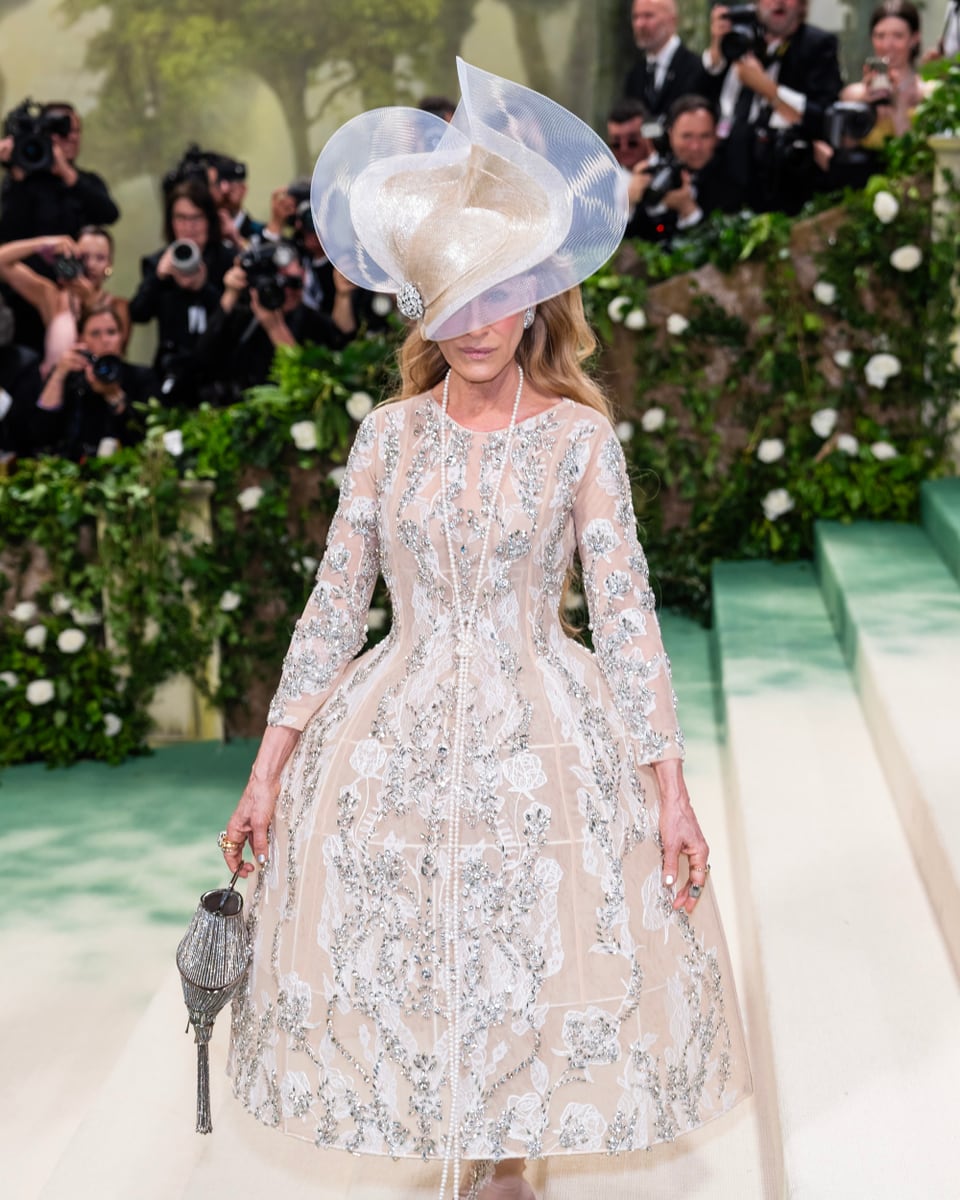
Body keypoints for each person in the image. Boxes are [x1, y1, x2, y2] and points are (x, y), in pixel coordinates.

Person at [219, 58, 751, 1200]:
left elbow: (625, 617)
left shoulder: (575, 440)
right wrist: (267, 770)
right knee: (415, 940)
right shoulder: (388, 435)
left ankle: (507, 1158)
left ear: (538, 292)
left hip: (540, 734)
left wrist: (669, 789)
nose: (476, 324)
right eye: (451, 299)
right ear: (423, 305)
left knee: (528, 938)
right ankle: (462, 1142)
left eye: (497, 292)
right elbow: (330, 607)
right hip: (394, 724)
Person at [703, 0, 843, 213]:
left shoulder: (817, 44)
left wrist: (768, 89)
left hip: (783, 175)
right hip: (728, 166)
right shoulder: (739, 38)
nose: (779, 2)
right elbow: (700, 98)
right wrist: (716, 48)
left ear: (802, 5)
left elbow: (823, 116)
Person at [191, 244, 357, 403]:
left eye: (294, 283)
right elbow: (202, 360)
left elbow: (312, 386)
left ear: (304, 276)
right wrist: (230, 294)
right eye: (279, 284)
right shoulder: (244, 316)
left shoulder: (315, 322)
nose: (287, 292)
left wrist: (275, 329)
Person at [129, 180, 234, 405]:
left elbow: (237, 320)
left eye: (196, 217)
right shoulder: (158, 262)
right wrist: (158, 277)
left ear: (209, 220)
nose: (189, 226)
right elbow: (138, 313)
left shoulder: (226, 260)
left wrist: (203, 289)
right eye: (181, 218)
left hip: (219, 373)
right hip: (172, 375)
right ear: (171, 222)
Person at [32, 303, 155, 459]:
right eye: (95, 333)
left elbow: (145, 439)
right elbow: (39, 434)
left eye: (111, 332)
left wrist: (113, 395)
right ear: (81, 339)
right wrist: (58, 375)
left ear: (121, 337)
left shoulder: (141, 377)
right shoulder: (70, 377)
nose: (105, 340)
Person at [630, 95, 742, 242]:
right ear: (670, 135)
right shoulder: (655, 171)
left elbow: (724, 250)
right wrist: (630, 203)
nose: (695, 147)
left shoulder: (732, 183)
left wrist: (688, 210)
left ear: (716, 137)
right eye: (687, 136)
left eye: (705, 136)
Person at [622, 0, 706, 126]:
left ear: (672, 21)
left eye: (648, 16)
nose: (640, 24)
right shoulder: (635, 75)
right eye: (636, 17)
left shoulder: (696, 68)